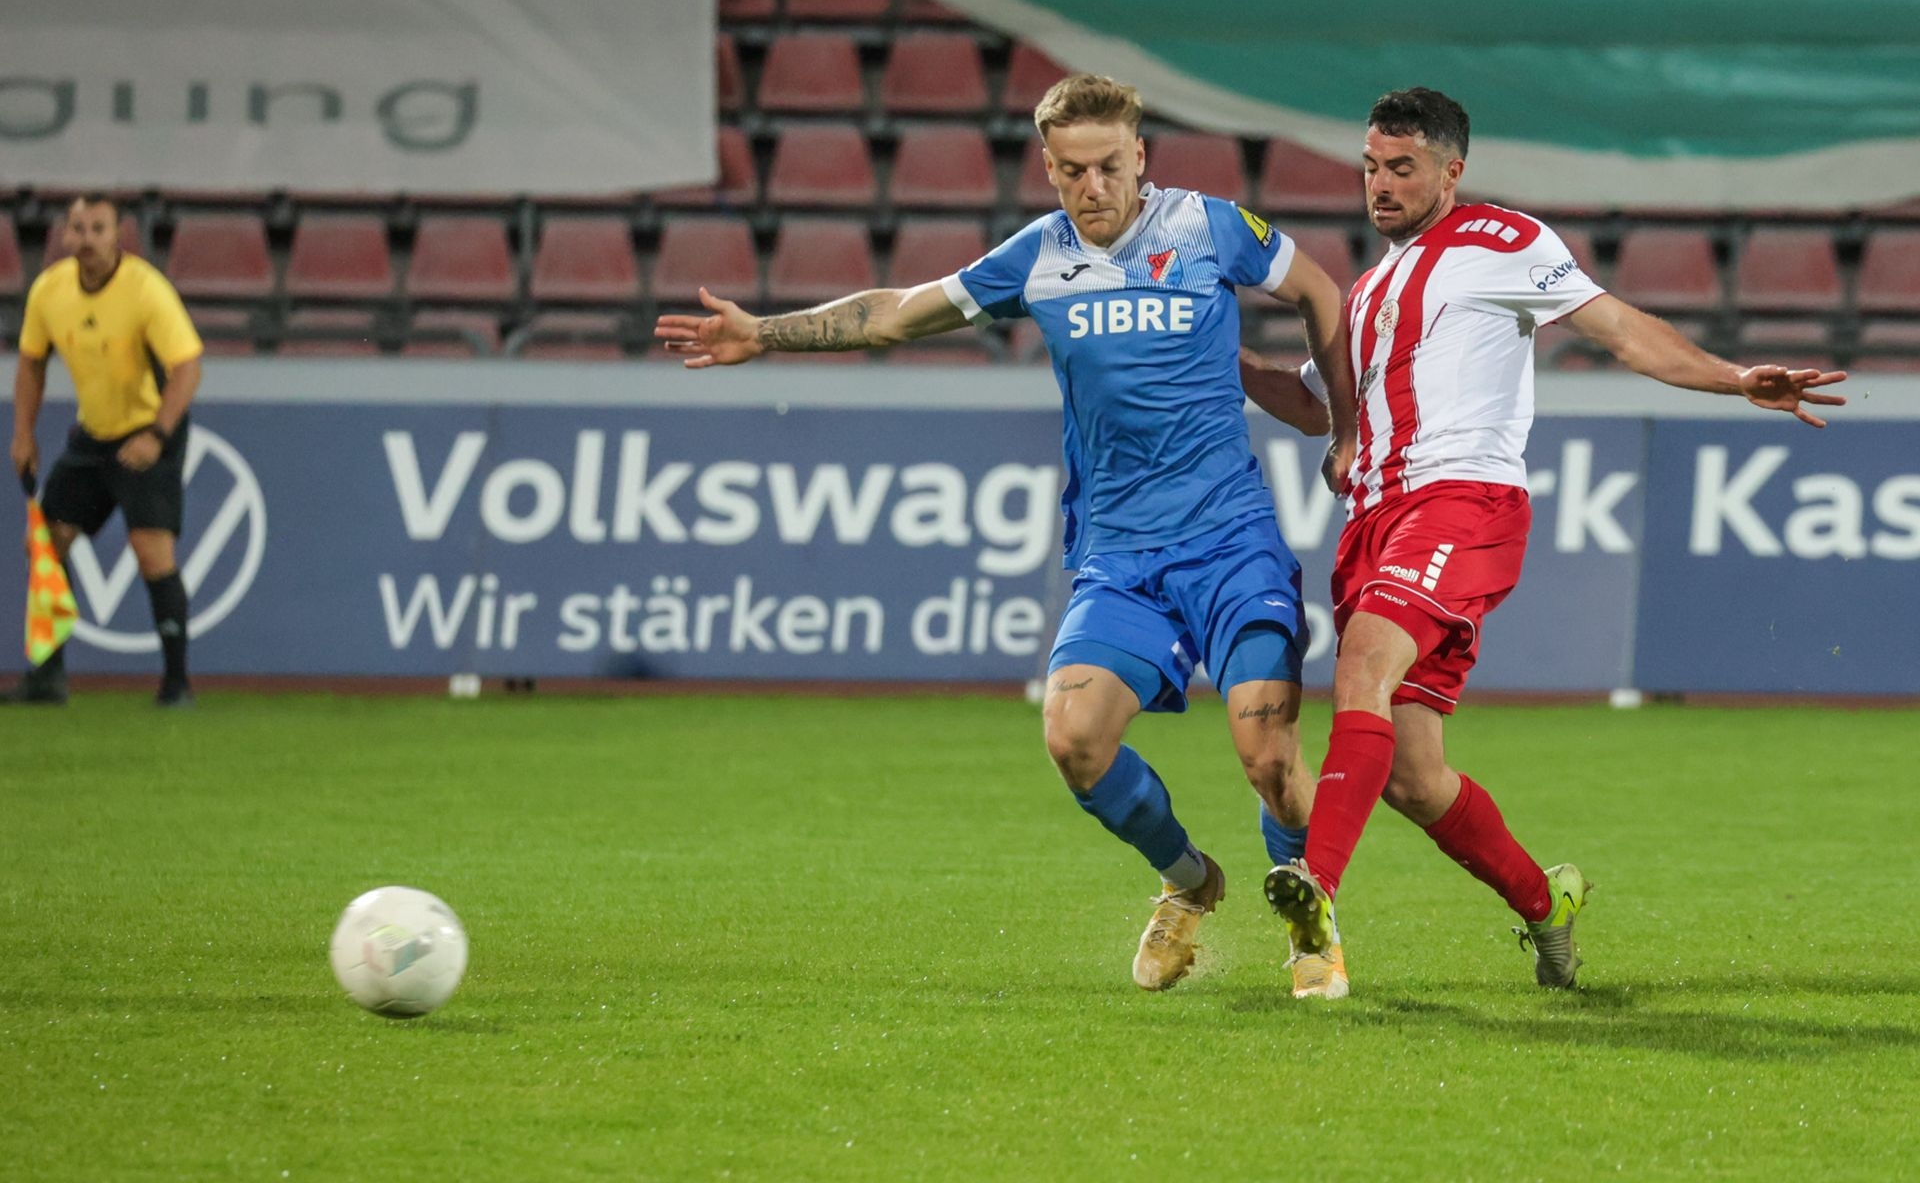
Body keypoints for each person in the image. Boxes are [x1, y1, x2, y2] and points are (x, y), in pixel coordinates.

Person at [657, 74, 1359, 992]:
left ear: (1140, 155)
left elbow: (1320, 292)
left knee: (1269, 759)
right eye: (1071, 171)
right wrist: (765, 334)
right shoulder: (1039, 257)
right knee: (1073, 740)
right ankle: (1188, 881)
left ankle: (1310, 923)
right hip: (1119, 558)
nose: (1092, 187)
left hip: (1232, 544)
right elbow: (896, 313)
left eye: (1108, 166)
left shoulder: (1210, 227)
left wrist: (1345, 427)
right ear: (1048, 167)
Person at [1254, 88, 1847, 999]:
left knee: (1364, 659)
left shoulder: (1502, 241)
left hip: (1460, 501)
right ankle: (1546, 903)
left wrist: (1733, 379)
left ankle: (1316, 896)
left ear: (1451, 170)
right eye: (1371, 167)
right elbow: (1310, 405)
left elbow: (1620, 330)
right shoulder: (1369, 292)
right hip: (1372, 519)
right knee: (1412, 776)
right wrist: (1209, 353)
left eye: (1402, 167)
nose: (1380, 184)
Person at [7, 194, 205, 707]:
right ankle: (48, 676)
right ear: (65, 234)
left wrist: (157, 435)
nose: (87, 239)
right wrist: (23, 433)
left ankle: (177, 683)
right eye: (78, 228)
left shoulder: (145, 290)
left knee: (151, 551)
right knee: (46, 543)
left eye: (98, 228)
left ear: (118, 235)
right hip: (94, 435)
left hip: (147, 429)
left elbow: (187, 368)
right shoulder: (50, 290)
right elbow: (31, 362)